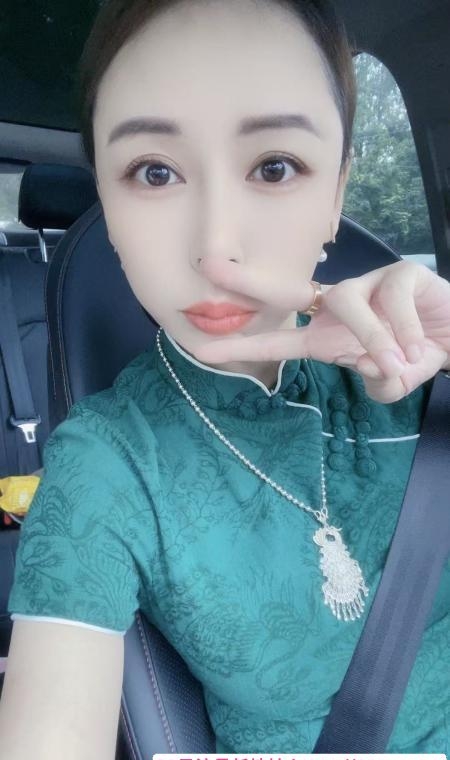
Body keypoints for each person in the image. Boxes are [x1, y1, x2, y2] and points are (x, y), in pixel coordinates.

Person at [1, 0, 449, 757]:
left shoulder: (422, 362)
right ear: (106, 202)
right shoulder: (107, 461)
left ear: (337, 193)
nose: (215, 247)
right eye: (154, 172)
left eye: (275, 167)